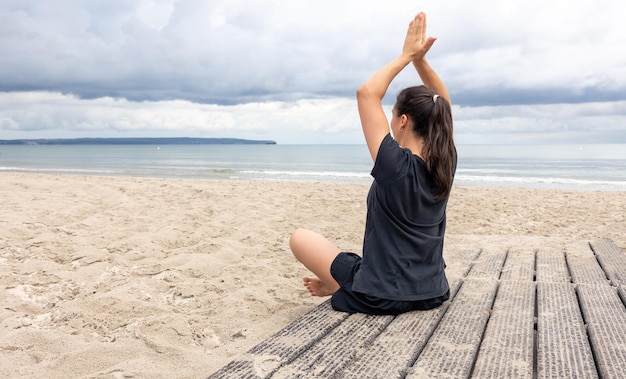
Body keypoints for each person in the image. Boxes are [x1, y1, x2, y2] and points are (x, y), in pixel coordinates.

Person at [289, 12, 456, 315]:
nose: (390, 121)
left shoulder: (395, 163)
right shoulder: (445, 161)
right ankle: (335, 283)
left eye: (392, 114)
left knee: (300, 238)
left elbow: (366, 93)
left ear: (403, 120)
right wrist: (421, 61)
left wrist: (407, 55)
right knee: (360, 262)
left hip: (383, 295)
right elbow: (442, 105)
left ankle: (337, 284)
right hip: (432, 291)